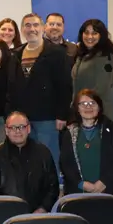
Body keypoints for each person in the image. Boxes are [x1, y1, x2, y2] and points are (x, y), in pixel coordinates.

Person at [11, 13, 72, 170]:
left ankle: (54, 191)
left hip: (48, 117)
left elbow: (64, 85)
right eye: (27, 25)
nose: (32, 29)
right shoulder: (16, 54)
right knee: (27, 160)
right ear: (22, 30)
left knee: (49, 157)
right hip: (23, 119)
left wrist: (62, 115)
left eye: (35, 25)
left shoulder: (56, 52)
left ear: (43, 28)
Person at [60, 89, 113, 200]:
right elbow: (65, 164)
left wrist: (104, 182)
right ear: (77, 108)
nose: (88, 107)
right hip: (77, 194)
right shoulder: (68, 132)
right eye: (83, 104)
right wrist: (81, 184)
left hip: (110, 192)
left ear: (99, 107)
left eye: (93, 103)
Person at [0, 112, 59, 213]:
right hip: (5, 217)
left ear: (28, 129)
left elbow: (53, 187)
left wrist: (42, 209)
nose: (17, 131)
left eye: (22, 127)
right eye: (13, 128)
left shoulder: (43, 152)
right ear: (6, 130)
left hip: (39, 216)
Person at [72, 19, 113, 117]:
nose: (90, 37)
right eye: (86, 33)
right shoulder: (82, 55)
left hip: (96, 113)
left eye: (94, 33)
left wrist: (85, 107)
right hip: (81, 111)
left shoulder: (106, 57)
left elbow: (102, 89)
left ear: (101, 36)